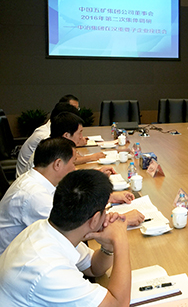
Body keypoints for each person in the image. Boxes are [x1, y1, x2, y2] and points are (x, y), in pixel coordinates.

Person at [0, 169, 131, 306]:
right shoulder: (50, 269)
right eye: (105, 209)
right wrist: (120, 239)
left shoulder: (49, 230)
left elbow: (93, 267)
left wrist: (108, 247)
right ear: (95, 219)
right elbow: (119, 304)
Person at [0, 138, 143, 255]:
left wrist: (107, 197)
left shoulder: (38, 179)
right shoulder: (34, 195)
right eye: (73, 163)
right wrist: (122, 220)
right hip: (25, 260)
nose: (74, 168)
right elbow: (75, 226)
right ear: (57, 164)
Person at [16, 99, 80, 177]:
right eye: (79, 133)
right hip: (26, 177)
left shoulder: (54, 135)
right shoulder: (46, 138)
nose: (81, 137)